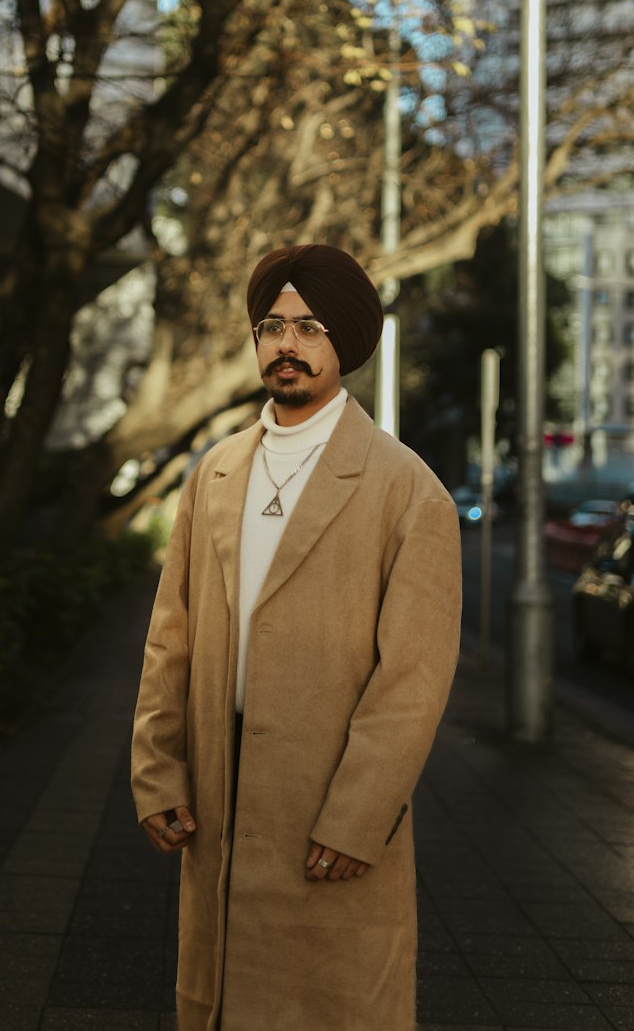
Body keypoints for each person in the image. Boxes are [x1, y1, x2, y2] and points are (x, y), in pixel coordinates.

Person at [132, 243, 462, 1031]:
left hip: (325, 799)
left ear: (342, 342)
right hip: (220, 781)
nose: (287, 344)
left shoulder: (406, 489)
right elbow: (167, 639)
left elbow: (412, 681)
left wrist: (357, 818)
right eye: (273, 325)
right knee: (218, 1003)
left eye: (309, 326)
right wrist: (157, 771)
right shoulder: (214, 471)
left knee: (329, 1006)